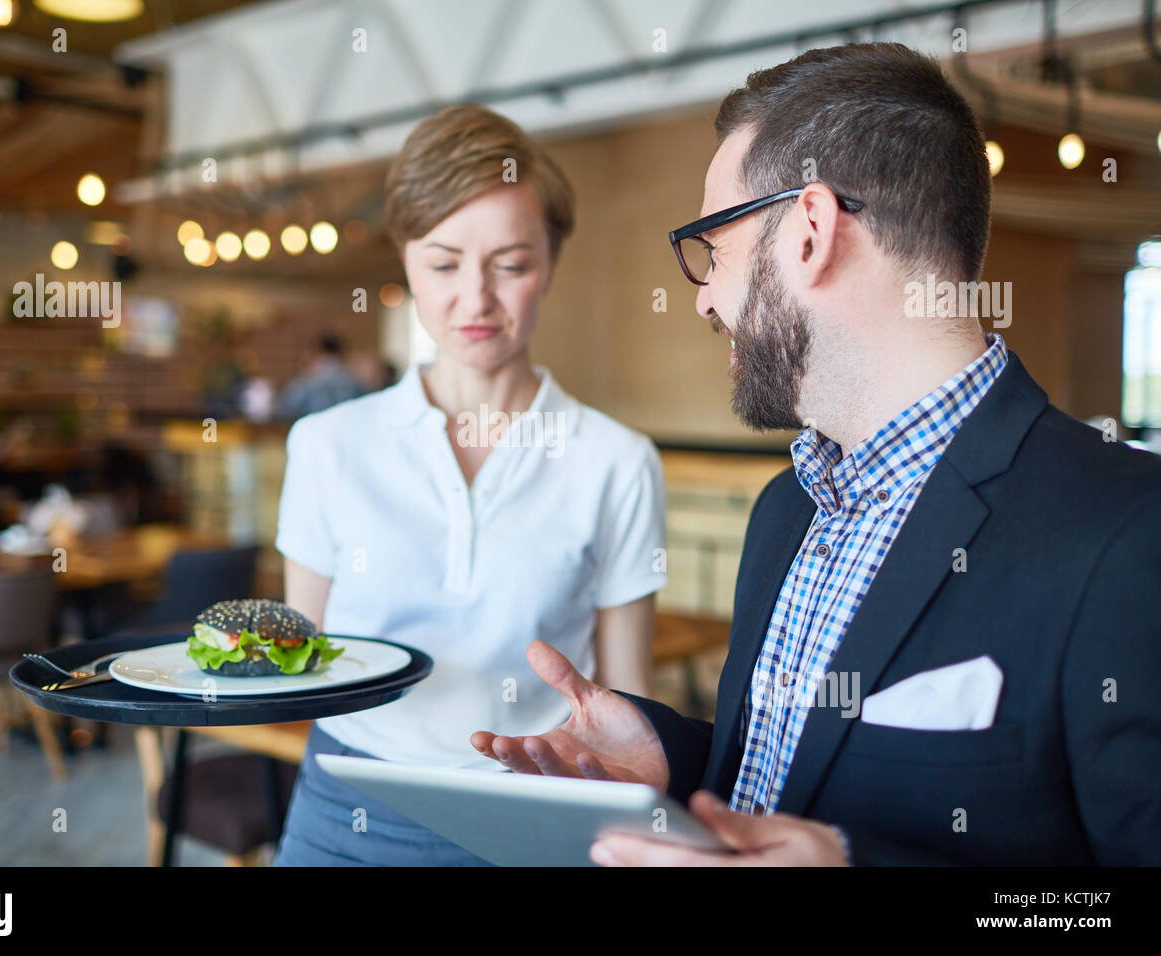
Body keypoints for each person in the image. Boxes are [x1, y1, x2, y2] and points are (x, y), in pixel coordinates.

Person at [471, 42, 1161, 866]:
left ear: (809, 230)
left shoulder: (1130, 534)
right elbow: (795, 770)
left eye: (711, 248)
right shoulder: (786, 509)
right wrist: (673, 756)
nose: (703, 298)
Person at [272, 104, 667, 866]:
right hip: (346, 801)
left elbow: (628, 700)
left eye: (510, 264)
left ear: (549, 264)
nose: (476, 300)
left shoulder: (616, 460)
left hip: (532, 808)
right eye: (444, 264)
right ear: (407, 263)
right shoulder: (326, 444)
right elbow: (301, 662)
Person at [275, 334, 366, 420]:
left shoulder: (308, 382)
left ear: (318, 351)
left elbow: (285, 408)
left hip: (317, 431)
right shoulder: (355, 382)